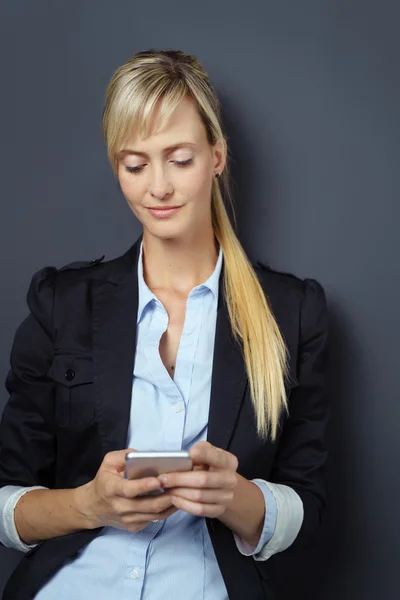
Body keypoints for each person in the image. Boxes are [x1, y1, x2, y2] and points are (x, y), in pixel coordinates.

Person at [0, 49, 330, 600]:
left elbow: (310, 510)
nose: (158, 187)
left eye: (180, 159)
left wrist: (236, 496)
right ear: (117, 168)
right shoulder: (61, 303)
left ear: (216, 156)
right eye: (135, 165)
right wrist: (88, 504)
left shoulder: (293, 312)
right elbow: (8, 501)